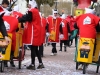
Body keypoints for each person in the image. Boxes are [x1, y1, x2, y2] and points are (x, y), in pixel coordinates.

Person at [18, 0, 44, 70]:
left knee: (33, 48)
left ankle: (33, 64)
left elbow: (28, 18)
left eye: (29, 5)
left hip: (34, 31)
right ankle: (40, 63)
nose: (28, 6)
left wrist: (19, 19)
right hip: (36, 30)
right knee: (35, 49)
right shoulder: (36, 11)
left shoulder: (32, 11)